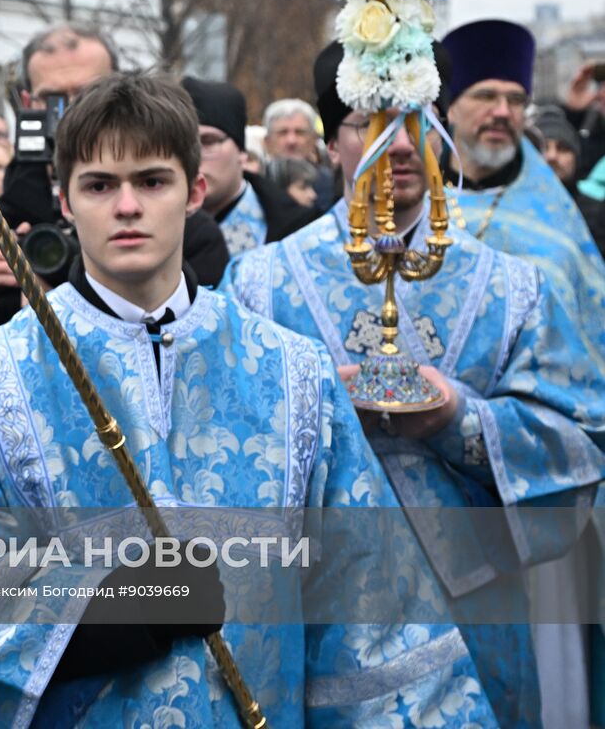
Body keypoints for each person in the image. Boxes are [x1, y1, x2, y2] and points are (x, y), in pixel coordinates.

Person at [0, 72, 495, 726]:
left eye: (152, 181)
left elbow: (372, 599)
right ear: (65, 201)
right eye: (100, 185)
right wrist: (115, 609)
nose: (127, 206)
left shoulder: (292, 372)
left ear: (194, 192)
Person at [224, 40, 605, 726]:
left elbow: (579, 443)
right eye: (369, 123)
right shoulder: (259, 284)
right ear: (331, 142)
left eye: (417, 120)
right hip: (318, 610)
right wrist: (312, 413)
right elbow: (217, 449)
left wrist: (458, 417)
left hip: (477, 613)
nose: (398, 146)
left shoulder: (513, 288)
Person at [0, 26, 230, 425]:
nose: (74, 111)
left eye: (90, 91)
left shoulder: (176, 225)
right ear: (27, 103)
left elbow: (217, 367)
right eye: (54, 99)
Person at [440, 20, 605, 353]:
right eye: (486, 95)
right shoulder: (414, 201)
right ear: (451, 108)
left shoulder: (557, 215)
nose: (502, 111)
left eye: (515, 99)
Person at [183, 77, 317, 255]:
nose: (195, 156)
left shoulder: (297, 230)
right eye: (184, 144)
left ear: (242, 152)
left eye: (208, 142)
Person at [263, 98, 335, 209]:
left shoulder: (331, 185)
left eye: (300, 132)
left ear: (313, 139)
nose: (291, 141)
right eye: (282, 133)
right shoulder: (256, 184)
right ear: (267, 142)